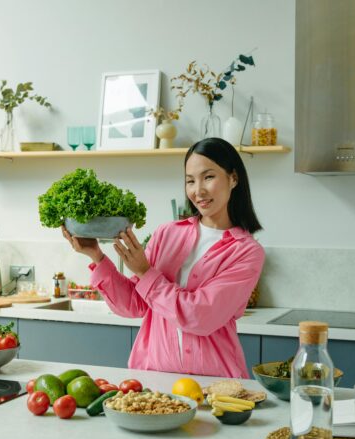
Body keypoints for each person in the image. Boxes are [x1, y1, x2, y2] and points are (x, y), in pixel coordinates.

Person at [62, 138, 265, 378]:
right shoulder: (167, 234)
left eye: (208, 177)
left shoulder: (246, 251)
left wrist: (146, 273)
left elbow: (200, 316)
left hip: (215, 384)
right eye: (190, 181)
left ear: (233, 178)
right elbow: (134, 305)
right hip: (155, 380)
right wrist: (95, 255)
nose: (197, 190)